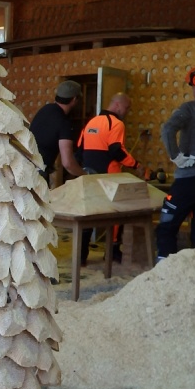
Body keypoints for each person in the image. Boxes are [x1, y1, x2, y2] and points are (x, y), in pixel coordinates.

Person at [155, 65, 195, 261]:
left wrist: (176, 156)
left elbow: (167, 129)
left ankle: (164, 271)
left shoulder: (190, 108)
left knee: (166, 227)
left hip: (188, 178)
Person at [76, 92, 144, 263]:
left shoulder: (91, 122)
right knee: (115, 213)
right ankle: (112, 251)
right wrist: (136, 165)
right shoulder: (116, 123)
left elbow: (79, 150)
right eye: (127, 108)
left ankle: (81, 256)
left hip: (89, 176)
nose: (127, 111)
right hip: (110, 177)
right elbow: (116, 150)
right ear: (118, 105)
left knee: (88, 213)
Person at [29, 80, 85, 184]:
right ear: (74, 99)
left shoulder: (44, 110)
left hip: (24, 166)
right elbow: (68, 163)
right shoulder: (64, 122)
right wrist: (85, 175)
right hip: (37, 173)